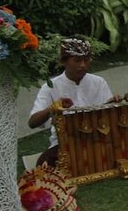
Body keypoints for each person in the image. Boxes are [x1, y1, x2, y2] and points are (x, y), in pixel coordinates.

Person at [28, 36, 121, 167]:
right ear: (63, 61)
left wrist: (114, 105)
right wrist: (53, 108)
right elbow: (32, 122)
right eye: (77, 60)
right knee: (45, 163)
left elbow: (107, 119)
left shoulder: (98, 82)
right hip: (64, 144)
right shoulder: (50, 86)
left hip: (97, 140)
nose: (83, 65)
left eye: (86, 60)